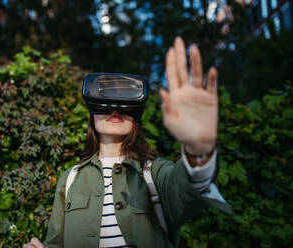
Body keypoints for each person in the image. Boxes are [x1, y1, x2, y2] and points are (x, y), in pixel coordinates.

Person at [23, 37, 231, 248]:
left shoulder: (155, 174)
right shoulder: (69, 180)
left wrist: (198, 149)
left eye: (125, 103)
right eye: (105, 103)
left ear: (137, 116)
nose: (115, 109)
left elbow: (187, 191)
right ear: (92, 114)